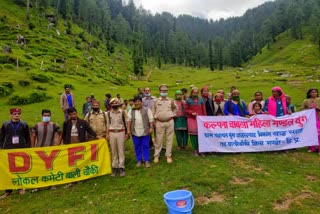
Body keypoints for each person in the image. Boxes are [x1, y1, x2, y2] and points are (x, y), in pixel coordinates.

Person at [0, 108, 31, 198]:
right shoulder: (6, 124)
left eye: (18, 114)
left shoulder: (24, 124)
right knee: (8, 170)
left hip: (20, 150)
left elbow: (27, 138)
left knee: (20, 170)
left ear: (20, 115)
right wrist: (1, 147)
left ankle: (20, 188)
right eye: (14, 114)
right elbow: (1, 137)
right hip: (8, 150)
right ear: (11, 115)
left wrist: (27, 148)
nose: (16, 115)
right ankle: (8, 191)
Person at [31, 109, 62, 192]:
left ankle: (52, 185)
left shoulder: (54, 125)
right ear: (42, 116)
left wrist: (57, 144)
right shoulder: (36, 126)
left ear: (50, 116)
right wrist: (32, 148)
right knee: (39, 169)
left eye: (48, 115)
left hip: (50, 150)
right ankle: (37, 186)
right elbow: (33, 137)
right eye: (45, 115)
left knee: (50, 168)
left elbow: (60, 133)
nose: (46, 117)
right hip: (39, 150)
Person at [152, 84, 177, 163]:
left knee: (169, 139)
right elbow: (153, 111)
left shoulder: (171, 100)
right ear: (160, 91)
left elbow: (175, 108)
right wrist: (154, 118)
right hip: (159, 122)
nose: (164, 92)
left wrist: (172, 115)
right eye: (163, 90)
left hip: (170, 121)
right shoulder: (155, 101)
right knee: (158, 140)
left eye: (166, 91)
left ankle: (168, 155)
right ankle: (156, 155)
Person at [127, 96, 154, 168]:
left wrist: (151, 127)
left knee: (146, 145)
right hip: (135, 131)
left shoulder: (147, 110)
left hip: (145, 131)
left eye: (139, 101)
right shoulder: (131, 111)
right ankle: (139, 160)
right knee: (137, 146)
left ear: (141, 102)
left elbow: (151, 119)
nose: (137, 103)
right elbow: (129, 121)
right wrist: (128, 130)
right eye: (135, 101)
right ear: (134, 102)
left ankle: (146, 160)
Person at [107, 98, 128, 177]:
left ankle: (121, 167)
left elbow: (126, 123)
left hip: (121, 132)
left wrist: (127, 133)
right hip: (112, 132)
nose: (115, 104)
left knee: (121, 150)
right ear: (111, 104)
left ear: (118, 104)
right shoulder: (108, 113)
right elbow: (108, 125)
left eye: (116, 103)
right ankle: (114, 167)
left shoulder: (123, 112)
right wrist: (107, 134)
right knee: (113, 150)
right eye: (113, 103)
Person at [184, 87, 206, 156]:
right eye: (194, 93)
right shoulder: (188, 100)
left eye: (196, 93)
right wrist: (191, 113)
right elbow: (185, 109)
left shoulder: (201, 100)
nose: (195, 94)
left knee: (201, 134)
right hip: (191, 118)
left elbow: (204, 109)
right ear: (191, 93)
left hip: (200, 118)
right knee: (193, 134)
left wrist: (205, 118)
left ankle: (201, 149)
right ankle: (195, 149)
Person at [301, 88, 320, 153]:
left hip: (318, 119)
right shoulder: (306, 101)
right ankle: (312, 148)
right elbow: (301, 110)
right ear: (309, 93)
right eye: (312, 92)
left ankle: (318, 148)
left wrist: (318, 108)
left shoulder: (319, 100)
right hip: (309, 120)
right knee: (311, 133)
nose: (314, 93)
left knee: (318, 133)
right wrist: (308, 109)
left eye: (315, 92)